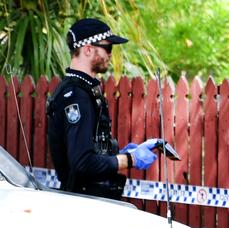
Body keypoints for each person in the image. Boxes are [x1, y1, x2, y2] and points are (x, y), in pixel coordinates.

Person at [47, 18, 159, 200]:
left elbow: (90, 149)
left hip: (90, 199)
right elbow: (82, 163)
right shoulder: (76, 95)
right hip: (83, 203)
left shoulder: (84, 89)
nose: (110, 54)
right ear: (88, 49)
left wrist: (119, 153)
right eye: (108, 48)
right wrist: (131, 160)